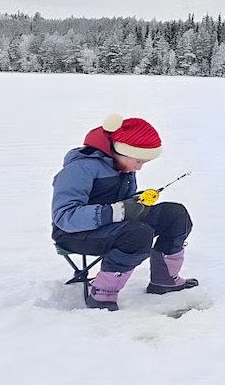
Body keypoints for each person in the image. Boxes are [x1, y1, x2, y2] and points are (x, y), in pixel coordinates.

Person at [51, 114, 198, 310]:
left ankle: (165, 280)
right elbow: (65, 217)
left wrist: (136, 202)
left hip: (111, 227)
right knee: (138, 234)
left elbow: (120, 205)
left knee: (175, 214)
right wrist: (120, 210)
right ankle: (103, 294)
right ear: (122, 151)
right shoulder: (79, 169)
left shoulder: (123, 168)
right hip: (74, 234)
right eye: (138, 161)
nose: (140, 167)